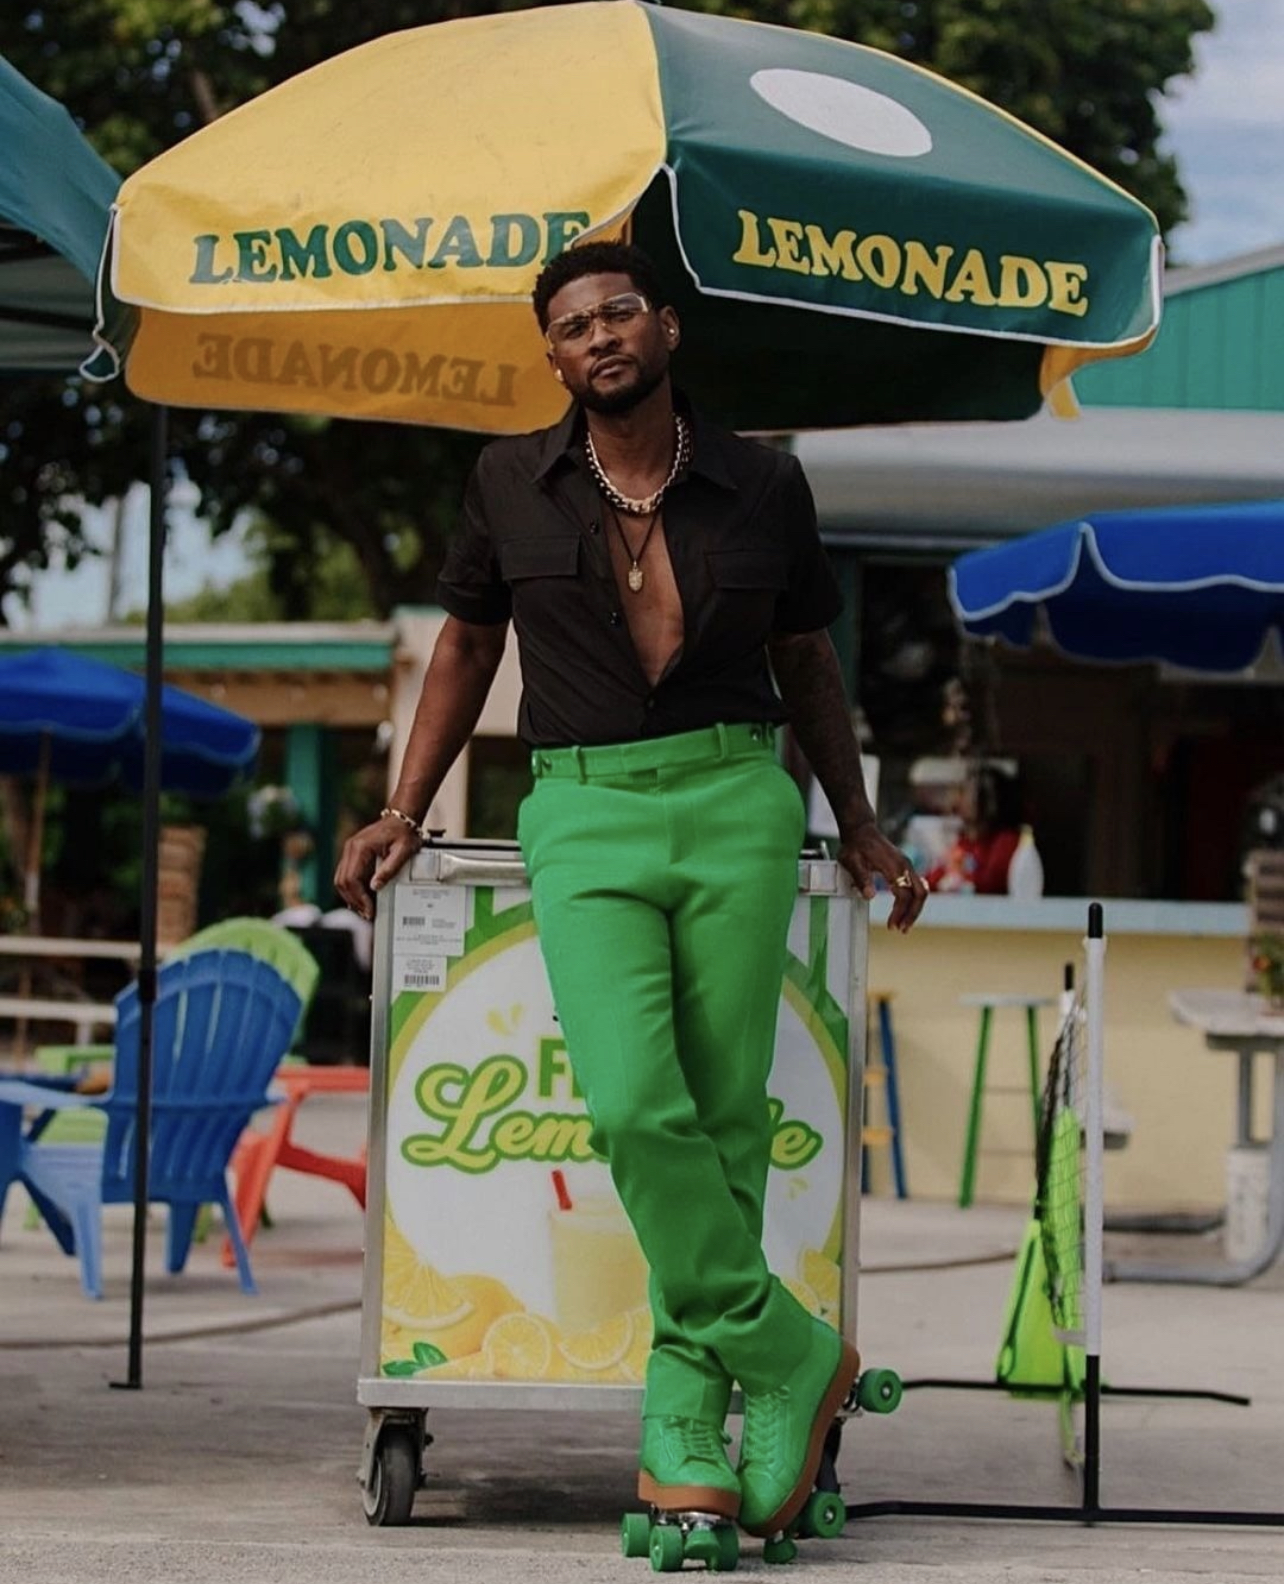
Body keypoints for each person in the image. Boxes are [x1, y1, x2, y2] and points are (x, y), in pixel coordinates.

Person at [335, 241, 928, 1539]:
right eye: (571, 326)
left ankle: (686, 1429)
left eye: (618, 313)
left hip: (737, 797)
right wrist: (402, 809)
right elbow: (464, 646)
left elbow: (808, 660)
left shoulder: (765, 483)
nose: (597, 336)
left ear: (665, 328)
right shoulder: (509, 480)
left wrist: (861, 825)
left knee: (726, 1120)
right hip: (583, 806)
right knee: (632, 1104)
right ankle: (787, 1350)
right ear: (553, 358)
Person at [926, 764, 1023, 895]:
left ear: (988, 800)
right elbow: (934, 879)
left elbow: (990, 886)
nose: (956, 798)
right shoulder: (964, 843)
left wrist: (954, 882)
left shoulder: (1007, 842)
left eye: (964, 791)